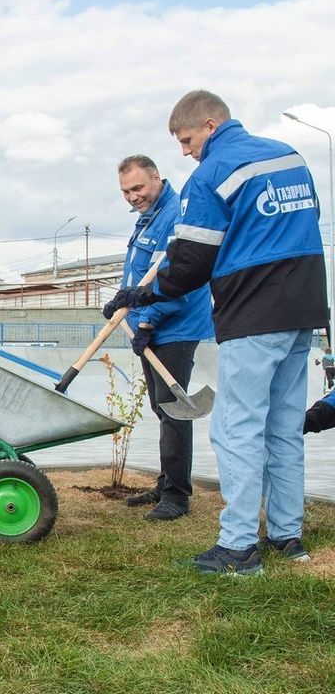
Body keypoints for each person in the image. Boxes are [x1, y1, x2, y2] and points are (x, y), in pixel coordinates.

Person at [104, 91, 326, 575]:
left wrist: (142, 296)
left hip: (253, 312)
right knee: (283, 428)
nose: (186, 151)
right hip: (304, 308)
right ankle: (288, 537)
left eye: (186, 140)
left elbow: (190, 264)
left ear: (209, 124)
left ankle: (238, 547)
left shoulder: (212, 174)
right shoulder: (291, 156)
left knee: (236, 429)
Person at [113, 154, 214, 521]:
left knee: (174, 411)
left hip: (173, 326)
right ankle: (165, 482)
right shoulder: (148, 217)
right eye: (125, 191)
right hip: (148, 325)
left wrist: (148, 322)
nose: (132, 196)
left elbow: (174, 278)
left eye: (137, 187)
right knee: (161, 407)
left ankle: (176, 496)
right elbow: (139, 274)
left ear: (156, 178)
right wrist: (122, 302)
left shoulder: (173, 214)